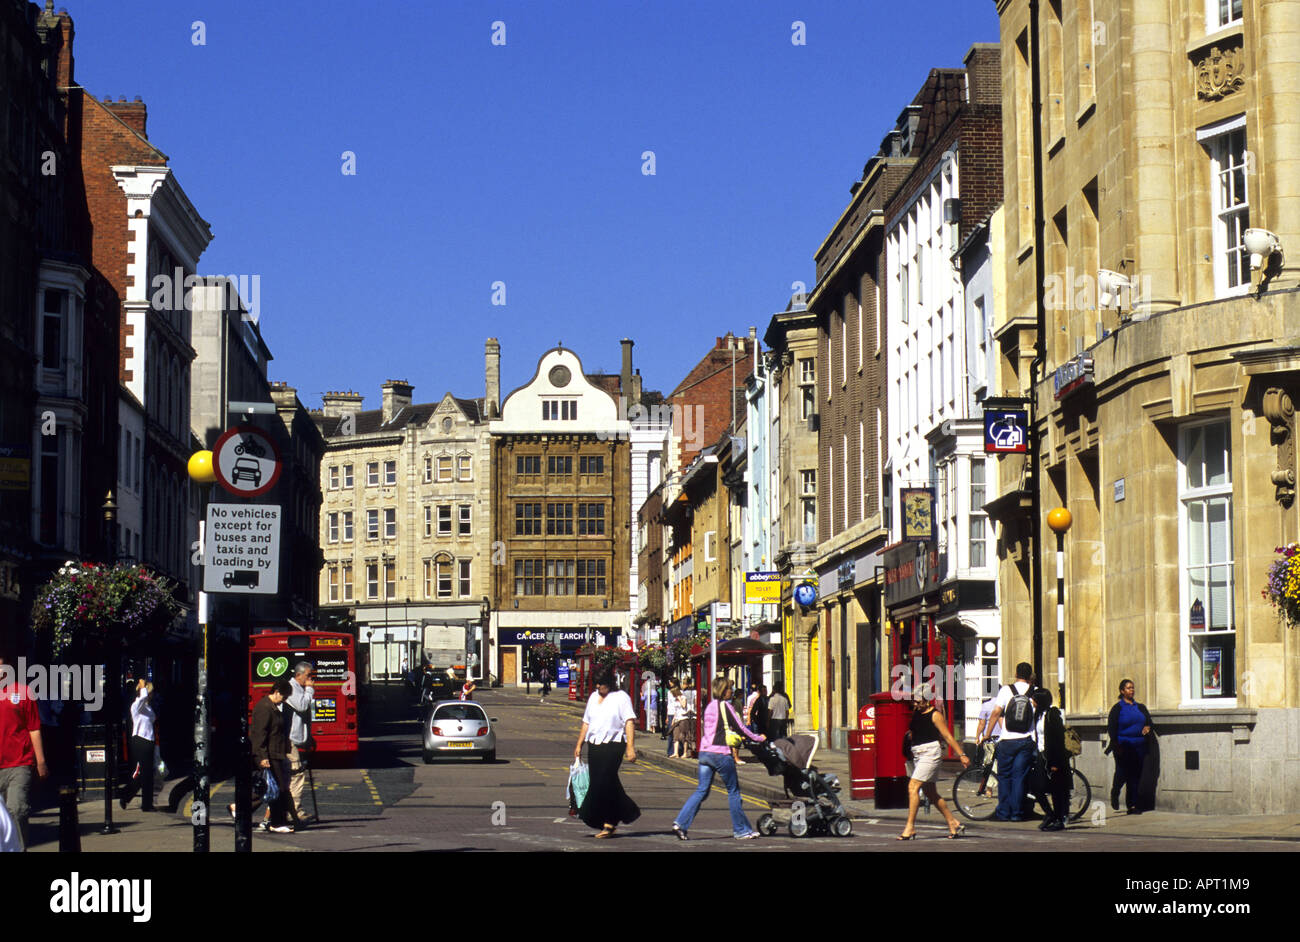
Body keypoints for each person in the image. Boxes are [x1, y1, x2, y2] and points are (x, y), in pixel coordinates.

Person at [670, 677, 766, 841]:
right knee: (734, 792)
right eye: (729, 688)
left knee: (702, 790)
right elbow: (740, 727)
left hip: (705, 753)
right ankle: (741, 830)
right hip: (720, 753)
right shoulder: (726, 706)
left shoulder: (709, 707)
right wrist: (759, 738)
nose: (731, 691)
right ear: (723, 690)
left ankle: (680, 823)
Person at [572, 669, 640, 837]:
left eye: (600, 684)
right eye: (595, 683)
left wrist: (630, 747)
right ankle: (625, 811)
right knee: (601, 782)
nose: (597, 687)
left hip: (614, 744)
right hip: (594, 744)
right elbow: (586, 723)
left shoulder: (621, 697)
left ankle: (610, 822)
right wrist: (579, 744)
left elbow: (629, 722)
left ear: (609, 683)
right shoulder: (593, 697)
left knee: (605, 780)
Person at [897, 688, 971, 840]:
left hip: (931, 753)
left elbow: (947, 736)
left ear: (927, 699)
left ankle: (910, 827)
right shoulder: (917, 713)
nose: (916, 704)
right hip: (918, 754)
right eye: (915, 701)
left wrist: (961, 754)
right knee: (931, 793)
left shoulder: (935, 715)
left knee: (913, 787)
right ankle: (953, 822)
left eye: (919, 701)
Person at [0, 652, 47, 850]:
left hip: (19, 763)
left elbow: (34, 728)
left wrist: (41, 761)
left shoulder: (23, 693)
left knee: (16, 810)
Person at [982, 662, 1038, 822]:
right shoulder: (1034, 691)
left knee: (1004, 776)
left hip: (1007, 740)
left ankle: (1003, 813)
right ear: (1029, 676)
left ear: (1016, 674)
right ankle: (1017, 813)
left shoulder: (1006, 690)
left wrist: (987, 734)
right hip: (1026, 740)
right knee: (1019, 778)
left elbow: (996, 712)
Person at [251, 679, 294, 833]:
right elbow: (259, 735)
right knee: (277, 789)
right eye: (284, 696)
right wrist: (262, 756)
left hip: (275, 754)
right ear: (276, 692)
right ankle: (276, 823)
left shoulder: (272, 707)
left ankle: (239, 808)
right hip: (269, 755)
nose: (285, 700)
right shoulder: (264, 708)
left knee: (273, 788)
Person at [1106, 678, 1155, 815]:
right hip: (1123, 745)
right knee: (1122, 773)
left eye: (1132, 688)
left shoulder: (1140, 707)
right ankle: (1115, 791)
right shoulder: (1117, 708)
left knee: (1135, 776)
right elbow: (1112, 728)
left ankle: (1132, 805)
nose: (1131, 690)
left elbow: (1149, 721)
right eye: (1128, 688)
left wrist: (1147, 726)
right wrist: (1116, 745)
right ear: (1122, 691)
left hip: (1139, 746)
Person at [1031, 688, 1071, 831]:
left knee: (1057, 790)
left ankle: (1059, 819)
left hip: (1053, 757)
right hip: (1042, 755)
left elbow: (1058, 740)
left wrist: (1055, 763)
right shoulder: (1038, 715)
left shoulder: (1052, 715)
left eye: (1034, 700)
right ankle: (1050, 814)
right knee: (1037, 787)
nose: (1032, 702)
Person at [118, 679, 159, 811]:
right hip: (140, 740)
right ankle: (146, 805)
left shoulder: (147, 707)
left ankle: (126, 796)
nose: (151, 695)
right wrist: (143, 686)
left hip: (148, 740)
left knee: (146, 774)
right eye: (150, 692)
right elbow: (143, 697)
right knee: (143, 773)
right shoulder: (137, 705)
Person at [285, 661, 315, 825]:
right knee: (296, 775)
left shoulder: (298, 689)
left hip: (295, 738)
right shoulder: (291, 689)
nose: (310, 679)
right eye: (308, 676)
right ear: (298, 675)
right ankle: (295, 811)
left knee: (285, 777)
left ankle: (291, 810)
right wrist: (310, 689)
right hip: (289, 739)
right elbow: (302, 706)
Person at [973, 693, 1002, 797]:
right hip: (1002, 738)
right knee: (998, 764)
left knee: (989, 764)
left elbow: (982, 723)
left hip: (989, 739)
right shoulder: (1003, 704)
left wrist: (977, 737)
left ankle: (989, 789)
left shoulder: (986, 705)